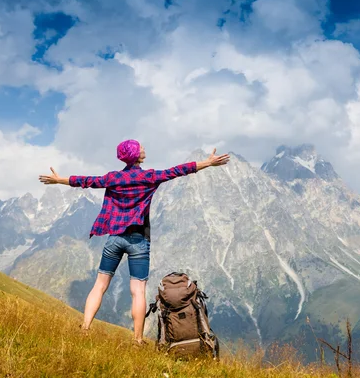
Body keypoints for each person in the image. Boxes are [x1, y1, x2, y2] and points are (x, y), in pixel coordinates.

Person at [38, 140, 229, 345]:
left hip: (115, 238)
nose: (144, 149)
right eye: (140, 147)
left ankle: (85, 328)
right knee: (137, 291)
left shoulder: (113, 178)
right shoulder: (148, 177)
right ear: (136, 154)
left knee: (99, 286)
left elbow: (87, 181)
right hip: (138, 240)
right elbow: (178, 170)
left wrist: (60, 180)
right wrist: (207, 163)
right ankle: (137, 340)